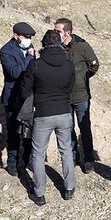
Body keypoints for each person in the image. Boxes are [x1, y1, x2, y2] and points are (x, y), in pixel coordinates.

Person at [21, 30, 76, 206]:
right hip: (64, 112)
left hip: (43, 114)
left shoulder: (35, 65)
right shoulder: (69, 64)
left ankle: (39, 193)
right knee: (66, 150)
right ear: (60, 43)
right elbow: (70, 87)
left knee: (38, 153)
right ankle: (69, 188)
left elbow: (24, 91)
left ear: (43, 44)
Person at [54, 18, 99, 174]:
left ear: (68, 32)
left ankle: (88, 160)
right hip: (64, 97)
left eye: (58, 31)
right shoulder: (56, 47)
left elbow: (94, 65)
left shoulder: (82, 46)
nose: (56, 33)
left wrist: (82, 78)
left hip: (81, 96)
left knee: (84, 128)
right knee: (68, 128)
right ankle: (73, 157)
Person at [0, 22, 36, 177]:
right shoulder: (6, 51)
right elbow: (15, 72)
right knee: (13, 132)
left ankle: (28, 160)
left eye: (30, 37)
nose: (29, 39)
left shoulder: (30, 47)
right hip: (12, 97)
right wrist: (29, 57)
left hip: (28, 97)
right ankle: (12, 163)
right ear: (15, 36)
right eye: (26, 37)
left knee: (29, 130)